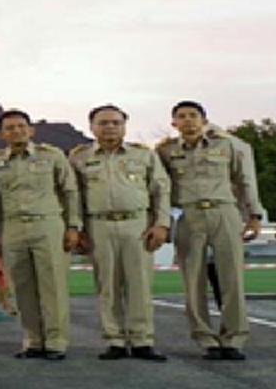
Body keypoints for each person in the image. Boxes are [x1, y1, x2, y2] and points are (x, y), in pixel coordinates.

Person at [156, 101, 262, 361]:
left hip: (223, 211)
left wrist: (254, 215)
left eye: (193, 115)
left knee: (231, 278)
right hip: (188, 214)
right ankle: (205, 338)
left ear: (204, 120)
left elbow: (245, 180)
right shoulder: (165, 151)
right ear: (174, 123)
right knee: (193, 280)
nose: (188, 120)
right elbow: (160, 188)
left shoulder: (228, 145)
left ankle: (234, 338)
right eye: (182, 116)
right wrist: (161, 221)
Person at [69, 104, 171, 362]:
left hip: (137, 224)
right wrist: (77, 228)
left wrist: (161, 224)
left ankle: (142, 340)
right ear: (92, 127)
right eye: (103, 123)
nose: (110, 127)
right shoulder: (79, 158)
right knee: (107, 286)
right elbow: (74, 196)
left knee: (140, 285)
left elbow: (161, 190)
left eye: (116, 122)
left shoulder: (143, 155)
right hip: (98, 225)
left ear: (124, 126)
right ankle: (114, 340)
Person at [0, 109, 79, 361]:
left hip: (47, 224)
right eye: (10, 128)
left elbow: (69, 192)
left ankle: (56, 341)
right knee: (22, 287)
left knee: (53, 286)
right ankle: (33, 340)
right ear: (1, 134)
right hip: (12, 227)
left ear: (31, 130)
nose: (17, 131)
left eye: (21, 126)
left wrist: (73, 226)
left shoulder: (52, 156)